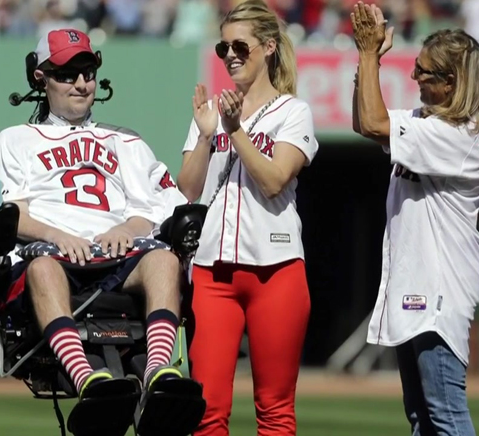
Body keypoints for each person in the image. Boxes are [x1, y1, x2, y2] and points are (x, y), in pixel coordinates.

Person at [0, 28, 204, 436]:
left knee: (163, 258)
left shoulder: (126, 140)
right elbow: (9, 211)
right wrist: (55, 235)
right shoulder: (16, 139)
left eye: (88, 71)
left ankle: (158, 371)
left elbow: (164, 205)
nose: (82, 83)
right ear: (40, 77)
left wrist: (129, 226)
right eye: (68, 74)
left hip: (119, 256)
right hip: (53, 256)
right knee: (42, 266)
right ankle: (88, 380)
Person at [176, 0, 317, 434]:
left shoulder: (294, 112)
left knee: (274, 411)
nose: (231, 55)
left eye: (241, 45)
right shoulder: (212, 114)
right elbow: (187, 189)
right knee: (206, 412)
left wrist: (235, 131)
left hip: (276, 272)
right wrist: (206, 136)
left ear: (269, 47)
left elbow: (274, 180)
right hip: (212, 272)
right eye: (223, 48)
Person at [351, 2, 479, 435]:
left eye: (425, 73)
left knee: (446, 416)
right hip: (419, 287)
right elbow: (363, 122)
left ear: (451, 83)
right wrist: (365, 57)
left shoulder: (457, 135)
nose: (414, 79)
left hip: (439, 291)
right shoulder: (427, 120)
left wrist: (371, 53)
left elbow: (373, 122)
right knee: (423, 419)